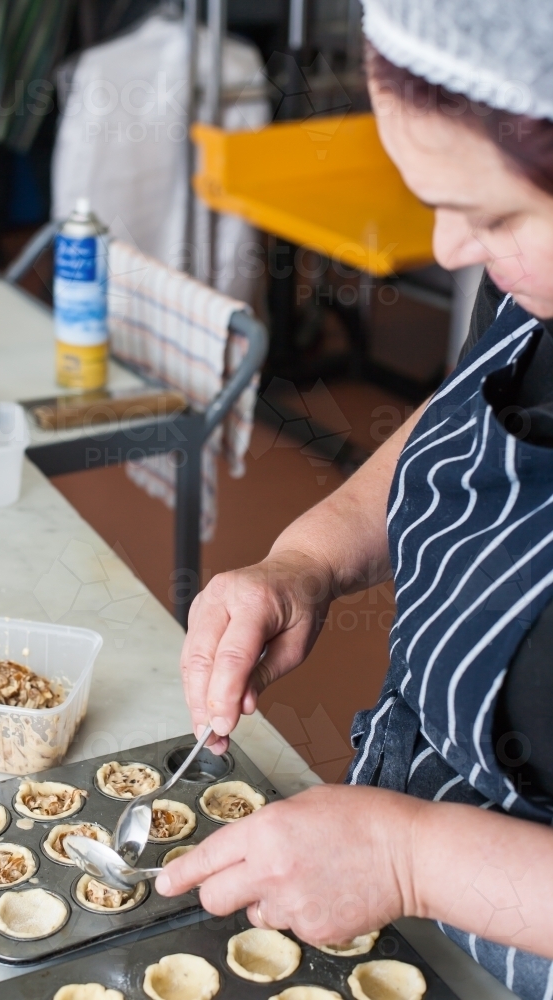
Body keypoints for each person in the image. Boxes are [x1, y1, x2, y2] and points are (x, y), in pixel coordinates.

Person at [155, 2, 553, 998]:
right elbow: (468, 423)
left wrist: (411, 858)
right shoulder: (537, 283)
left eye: (494, 215)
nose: (447, 247)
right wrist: (307, 557)